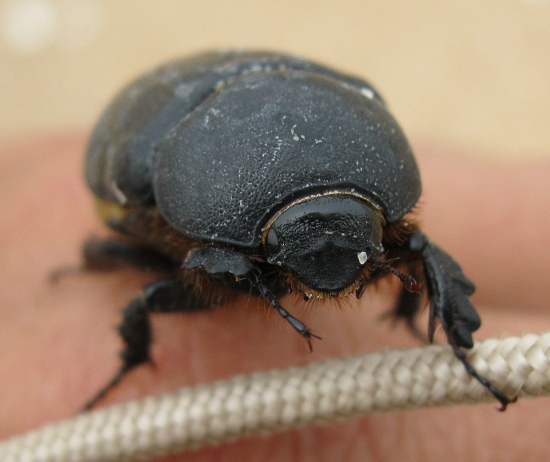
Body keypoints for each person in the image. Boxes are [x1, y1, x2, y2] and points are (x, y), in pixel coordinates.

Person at [1, 133, 549, 460]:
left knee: (420, 249)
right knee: (133, 279)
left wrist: (460, 346)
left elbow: (418, 246)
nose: (328, 272)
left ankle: (449, 338)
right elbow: (180, 272)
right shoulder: (196, 220)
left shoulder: (384, 214)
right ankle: (132, 362)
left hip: (281, 134)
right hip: (178, 145)